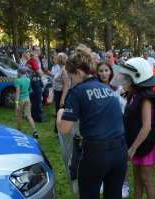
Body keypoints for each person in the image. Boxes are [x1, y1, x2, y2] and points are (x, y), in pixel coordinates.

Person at [57, 44, 127, 199]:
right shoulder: (107, 89)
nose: (71, 81)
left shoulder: (77, 91)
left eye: (71, 77)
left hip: (96, 155)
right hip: (119, 152)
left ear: (79, 72)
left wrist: (60, 113)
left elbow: (64, 129)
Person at [114, 57, 155, 199]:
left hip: (145, 144)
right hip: (137, 143)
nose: (126, 79)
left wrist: (132, 148)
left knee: (147, 179)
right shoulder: (133, 94)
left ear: (138, 77)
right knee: (137, 177)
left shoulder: (146, 98)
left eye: (128, 77)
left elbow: (147, 126)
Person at [96, 60, 130, 198]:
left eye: (106, 70)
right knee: (104, 156)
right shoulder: (95, 88)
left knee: (121, 157)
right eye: (101, 71)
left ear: (111, 71)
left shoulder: (118, 88)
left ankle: (125, 184)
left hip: (119, 126)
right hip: (103, 127)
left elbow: (126, 107)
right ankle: (105, 181)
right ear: (96, 73)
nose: (104, 73)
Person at [14, 67, 38, 138]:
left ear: (20, 73)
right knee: (29, 116)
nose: (17, 74)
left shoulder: (18, 81)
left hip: (21, 100)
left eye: (17, 72)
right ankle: (35, 131)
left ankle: (19, 131)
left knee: (19, 116)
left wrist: (17, 103)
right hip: (27, 99)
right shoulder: (28, 79)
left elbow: (17, 94)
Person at [53, 52, 70, 133]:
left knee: (60, 112)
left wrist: (62, 99)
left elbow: (66, 85)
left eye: (56, 58)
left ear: (60, 59)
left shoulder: (64, 70)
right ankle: (58, 129)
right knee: (57, 111)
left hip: (61, 94)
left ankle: (61, 129)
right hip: (57, 93)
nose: (55, 59)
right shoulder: (60, 69)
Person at [26, 51, 44, 123]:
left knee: (33, 100)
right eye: (36, 56)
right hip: (36, 82)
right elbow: (40, 73)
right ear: (32, 56)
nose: (37, 58)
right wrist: (39, 72)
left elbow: (27, 67)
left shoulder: (29, 61)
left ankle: (33, 116)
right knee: (38, 100)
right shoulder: (33, 62)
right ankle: (38, 118)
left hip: (32, 82)